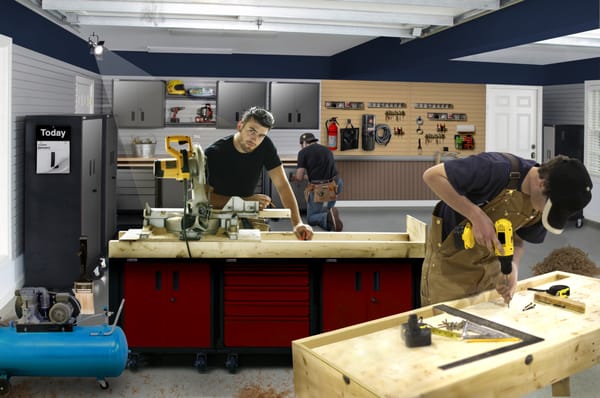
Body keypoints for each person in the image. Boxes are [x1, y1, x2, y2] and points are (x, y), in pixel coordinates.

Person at [420, 152, 593, 306]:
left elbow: (518, 238)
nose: (542, 212)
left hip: (490, 271)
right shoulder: (495, 168)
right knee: (443, 329)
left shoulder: (541, 204)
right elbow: (433, 176)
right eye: (549, 207)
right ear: (541, 184)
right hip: (451, 268)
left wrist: (512, 267)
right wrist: (476, 216)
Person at [204, 107, 313, 240]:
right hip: (217, 217)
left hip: (247, 213)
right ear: (240, 126)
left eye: (261, 135)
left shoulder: (265, 146)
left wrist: (297, 223)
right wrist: (245, 201)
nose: (255, 139)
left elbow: (282, 185)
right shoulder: (214, 153)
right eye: (252, 131)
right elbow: (205, 198)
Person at [293, 132, 343, 231]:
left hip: (321, 189)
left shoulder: (303, 152)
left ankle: (326, 216)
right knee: (329, 198)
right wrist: (306, 177)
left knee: (311, 218)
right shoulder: (327, 150)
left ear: (303, 143)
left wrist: (295, 177)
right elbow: (321, 173)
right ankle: (330, 213)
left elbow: (299, 177)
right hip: (336, 183)